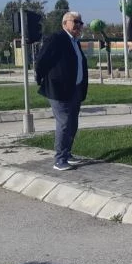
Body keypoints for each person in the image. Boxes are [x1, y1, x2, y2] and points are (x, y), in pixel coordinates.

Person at [35, 12, 89, 171]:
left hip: (75, 89)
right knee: (64, 122)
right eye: (76, 22)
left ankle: (67, 153)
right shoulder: (57, 38)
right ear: (65, 23)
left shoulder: (75, 42)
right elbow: (42, 60)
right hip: (59, 89)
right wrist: (41, 79)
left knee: (73, 123)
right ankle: (59, 159)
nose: (79, 26)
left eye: (81, 22)